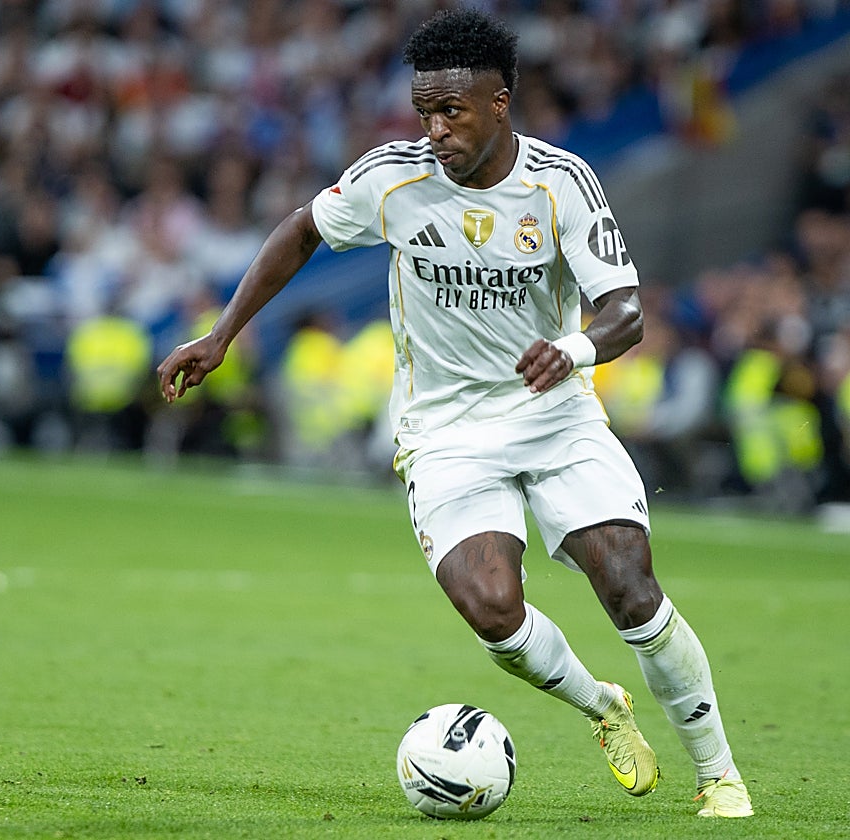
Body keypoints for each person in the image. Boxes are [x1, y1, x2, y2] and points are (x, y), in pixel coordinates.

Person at [156, 9, 752, 819]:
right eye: (424, 113)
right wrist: (221, 335)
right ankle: (600, 705)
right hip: (444, 431)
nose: (434, 130)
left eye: (453, 112)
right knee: (493, 610)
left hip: (555, 414)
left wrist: (573, 351)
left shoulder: (560, 183)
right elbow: (300, 232)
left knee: (629, 586)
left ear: (500, 102)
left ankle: (718, 773)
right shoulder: (391, 179)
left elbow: (625, 310)